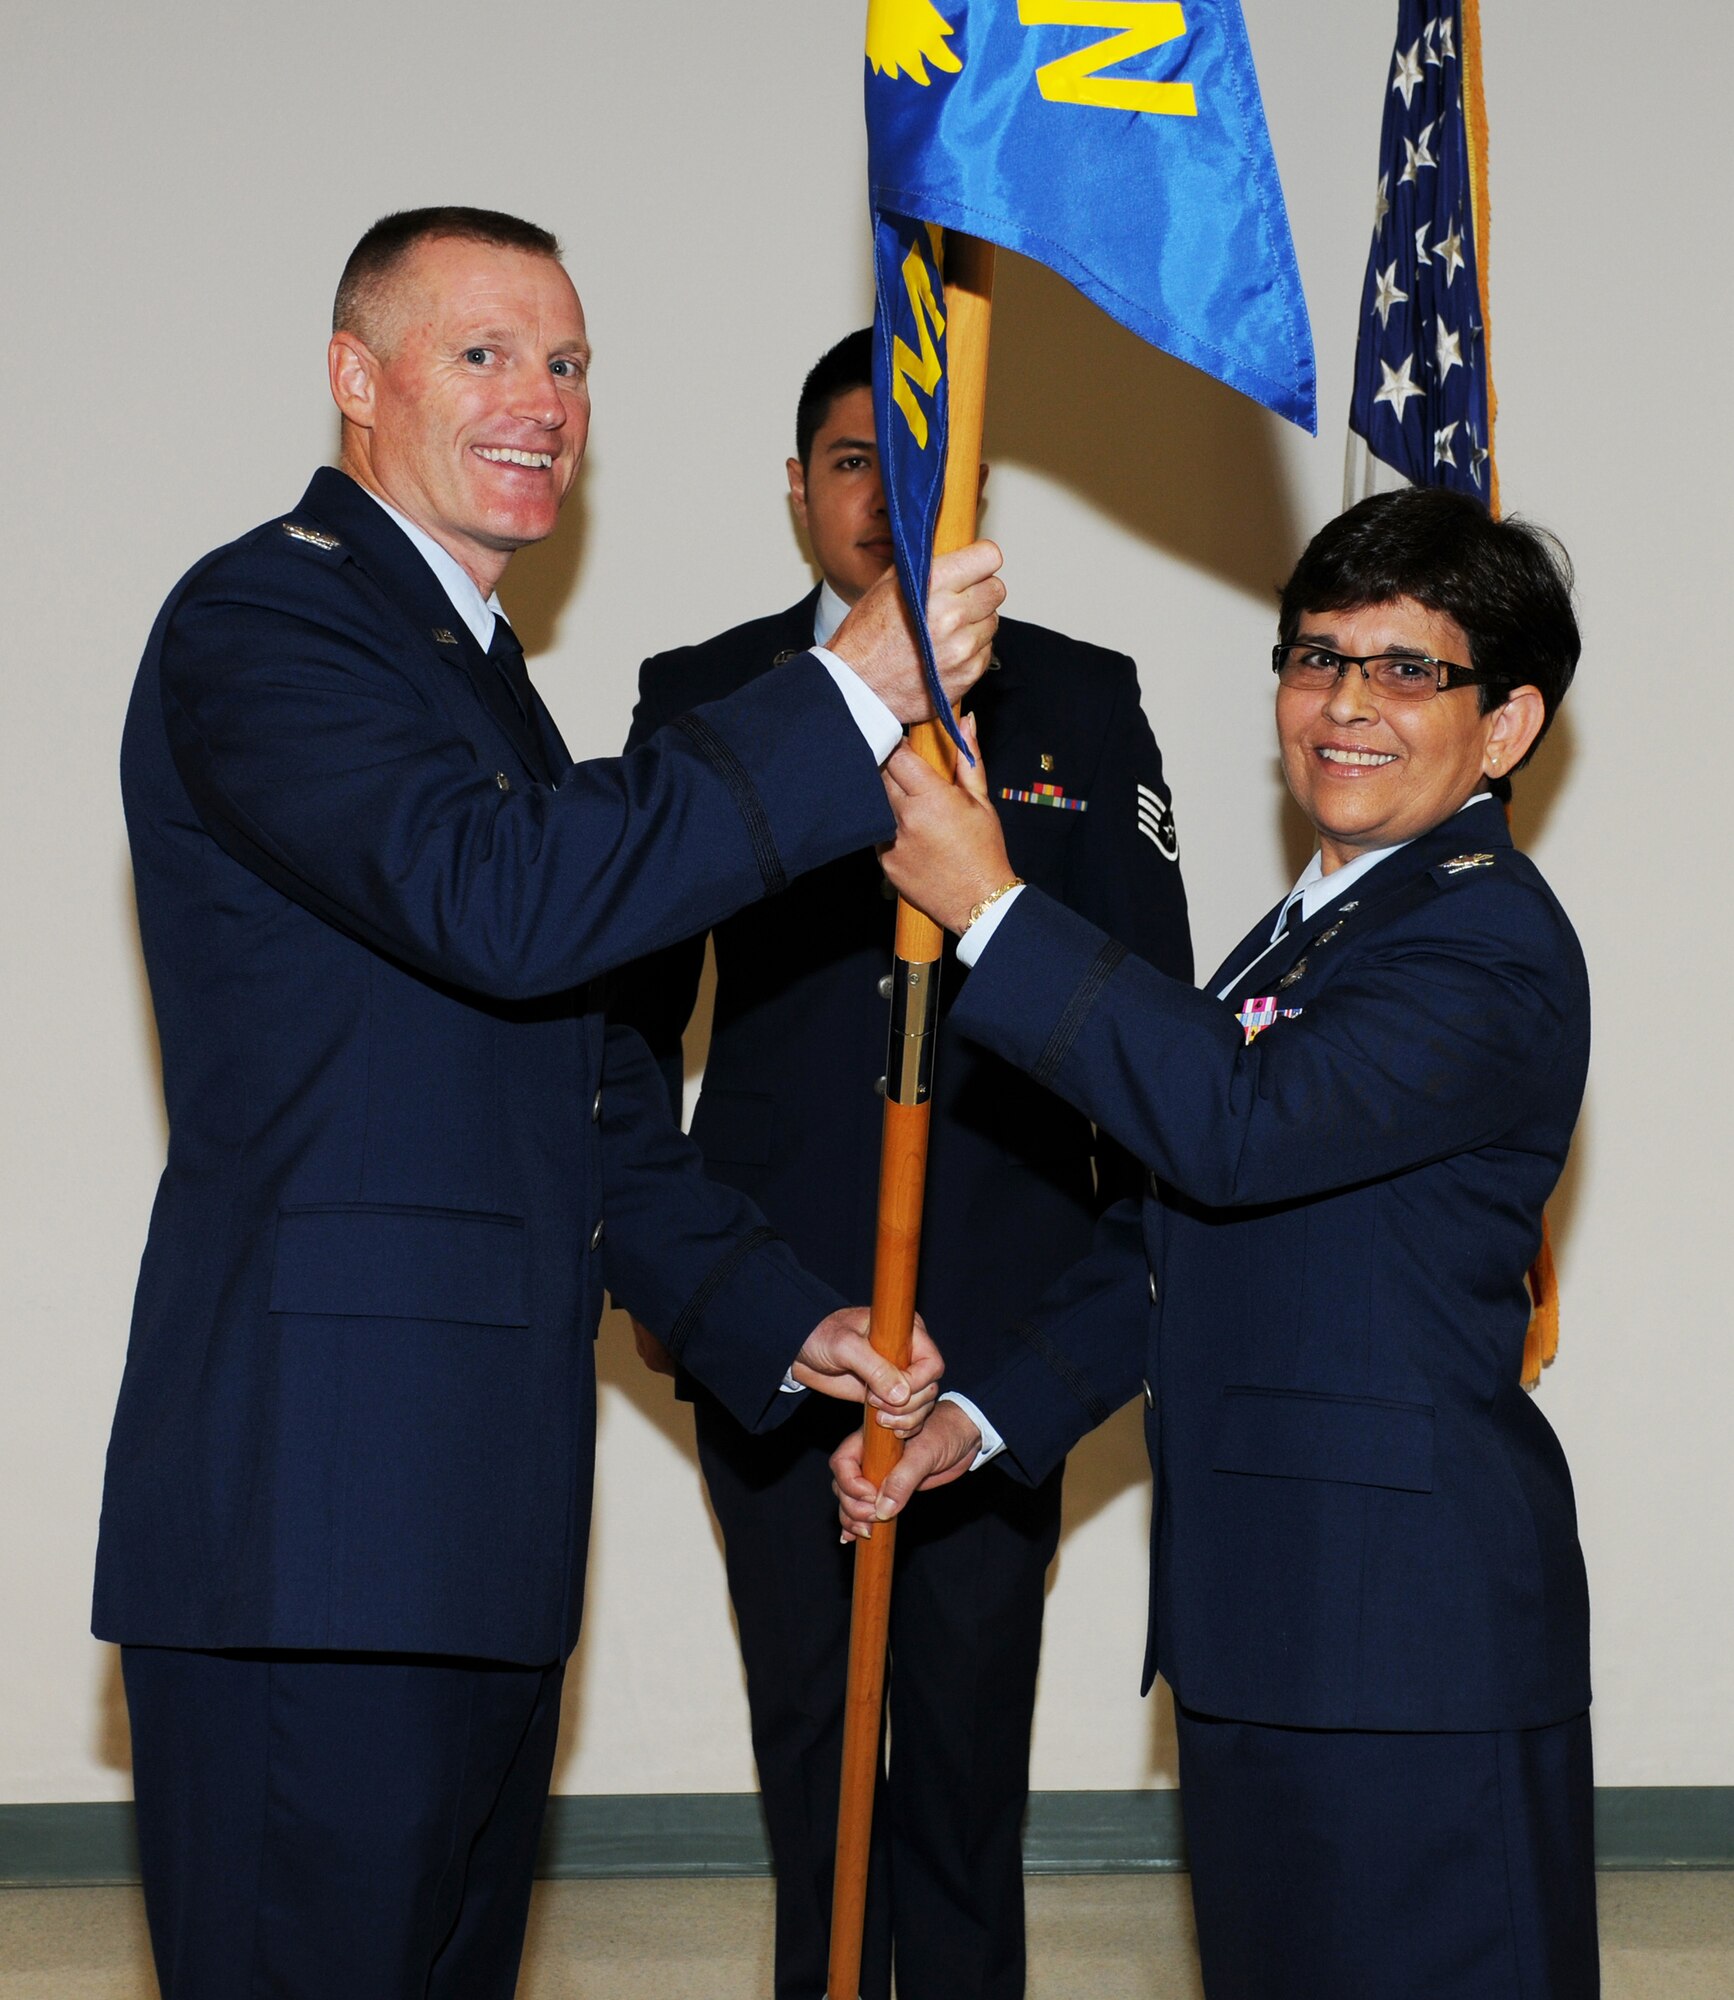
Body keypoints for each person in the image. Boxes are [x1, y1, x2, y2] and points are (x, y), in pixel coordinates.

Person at [96, 207, 1004, 2000]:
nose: (540, 401)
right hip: (318, 1535)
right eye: (484, 354)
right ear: (357, 378)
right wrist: (847, 691)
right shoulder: (267, 615)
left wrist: (781, 1318)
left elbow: (589, 1111)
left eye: (569, 363)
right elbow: (505, 908)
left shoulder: (482, 692)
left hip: (468, 1535)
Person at [840, 489, 1598, 1998]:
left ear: (1504, 728)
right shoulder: (1311, 926)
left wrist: (990, 904)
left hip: (1404, 1642)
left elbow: (1234, 1128)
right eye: (1315, 657)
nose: (1343, 705)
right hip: (1272, 1627)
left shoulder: (1482, 939)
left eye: (1406, 671)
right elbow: (1172, 1243)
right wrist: (983, 1420)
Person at [612, 328, 1191, 2000]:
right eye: (852, 461)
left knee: (959, 1762)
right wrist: (682, 1275)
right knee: (811, 1750)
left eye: (925, 464)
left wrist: (1091, 1317)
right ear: (798, 493)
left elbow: (1140, 1021)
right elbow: (623, 1043)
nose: (885, 496)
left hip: (1002, 1322)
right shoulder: (702, 697)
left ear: (979, 498)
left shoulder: (1080, 696)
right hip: (779, 1318)